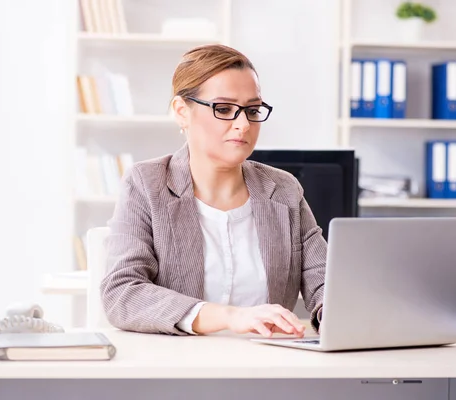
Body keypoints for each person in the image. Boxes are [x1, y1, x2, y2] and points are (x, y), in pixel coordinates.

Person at [100, 44, 326, 338]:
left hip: (270, 367)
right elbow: (121, 293)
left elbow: (325, 283)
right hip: (179, 368)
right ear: (182, 112)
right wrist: (229, 317)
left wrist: (338, 313)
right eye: (224, 109)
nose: (243, 124)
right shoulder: (146, 183)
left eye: (252, 109)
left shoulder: (283, 189)